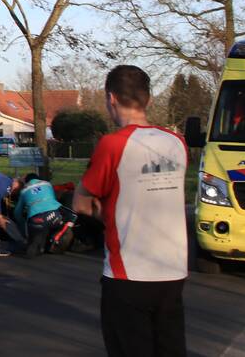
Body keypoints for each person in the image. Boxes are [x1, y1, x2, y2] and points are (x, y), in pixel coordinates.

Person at [73, 65, 189, 357]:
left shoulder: (112, 144)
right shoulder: (177, 143)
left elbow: (81, 202)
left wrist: (104, 210)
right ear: (148, 100)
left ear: (111, 98)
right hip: (173, 271)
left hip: (128, 275)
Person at [14, 173, 73, 258]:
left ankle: (35, 244)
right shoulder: (47, 184)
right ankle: (55, 242)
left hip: (34, 219)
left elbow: (17, 212)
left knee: (35, 230)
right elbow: (53, 200)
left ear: (27, 182)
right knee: (65, 221)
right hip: (53, 216)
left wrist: (22, 223)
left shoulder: (24, 190)